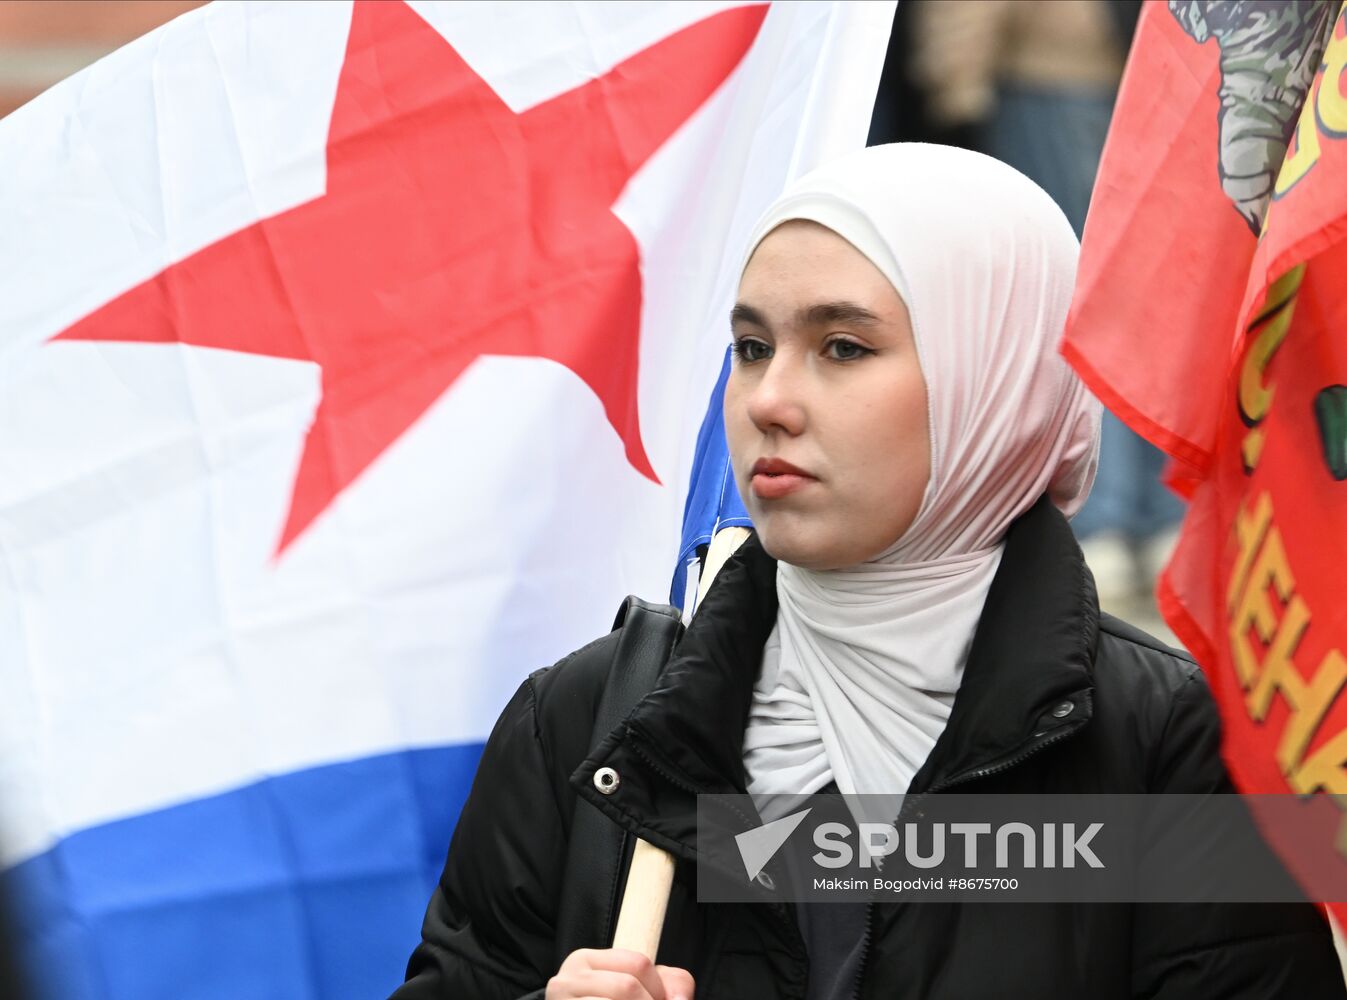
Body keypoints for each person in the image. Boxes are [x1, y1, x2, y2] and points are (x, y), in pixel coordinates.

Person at [390, 143, 1345, 999]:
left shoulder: (1170, 748)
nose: (767, 400)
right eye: (750, 347)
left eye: (842, 348)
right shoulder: (588, 722)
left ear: (996, 380)